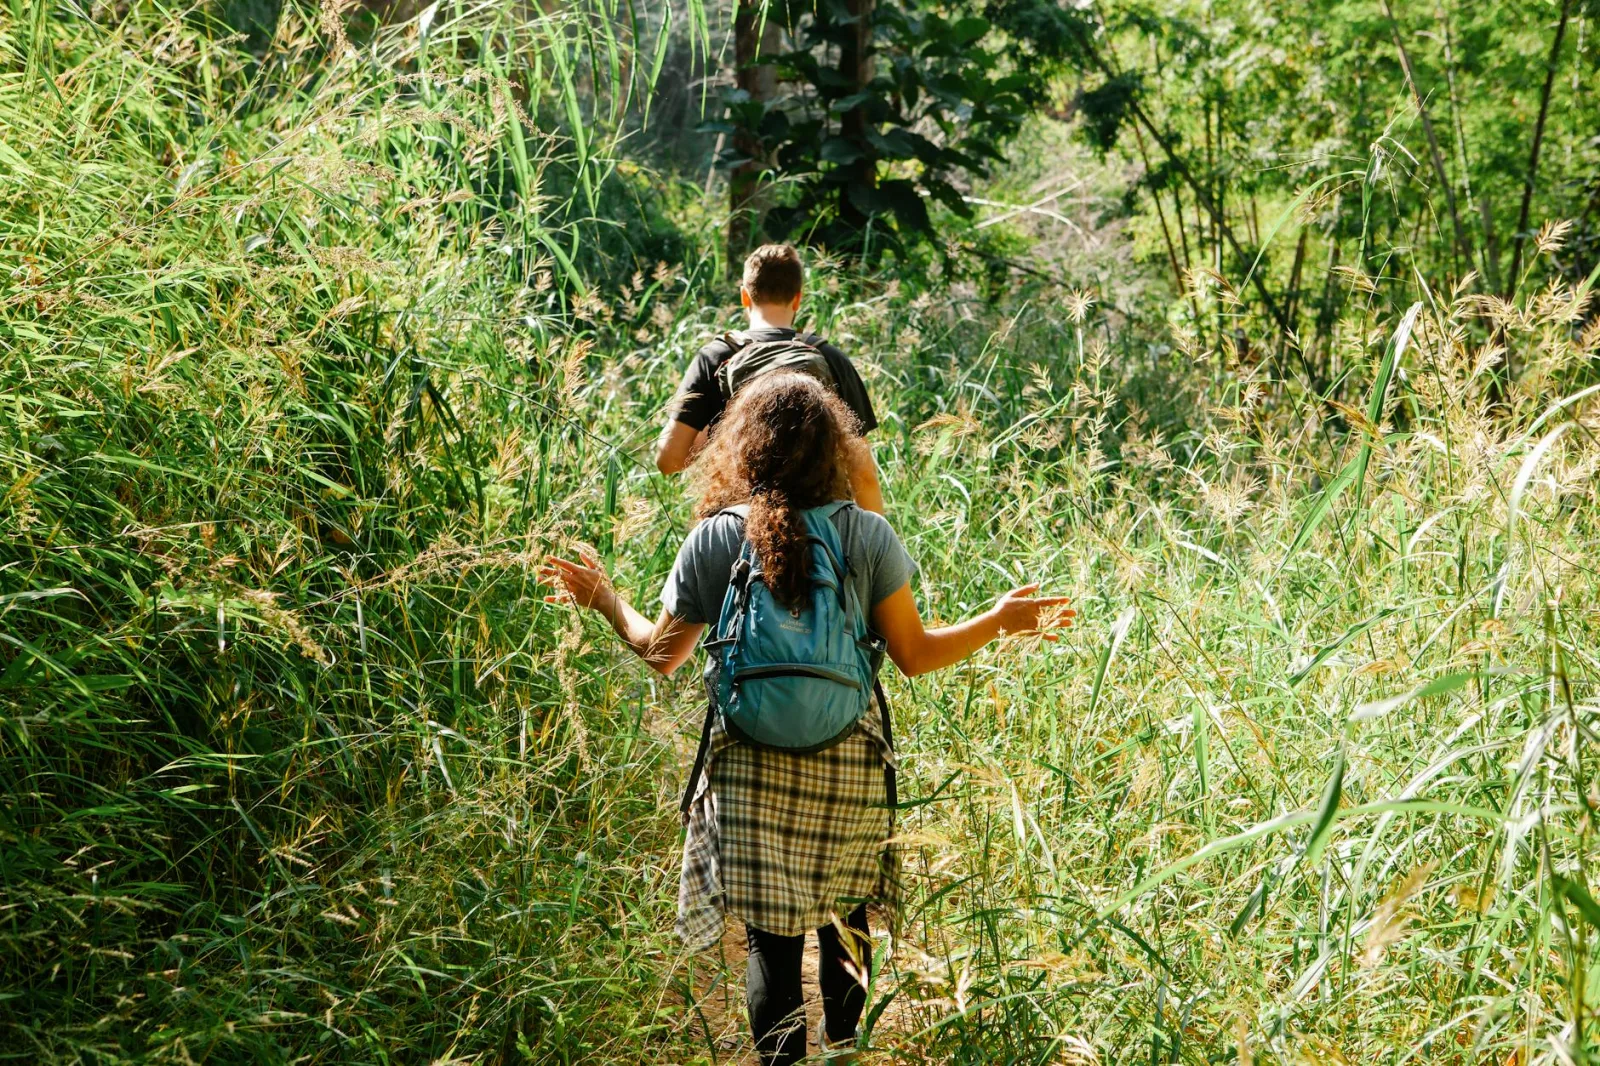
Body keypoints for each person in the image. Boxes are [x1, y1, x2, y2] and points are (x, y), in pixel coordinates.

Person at [541, 374, 1072, 1065]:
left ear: (741, 449)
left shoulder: (715, 539)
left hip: (750, 765)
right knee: (846, 922)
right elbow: (913, 655)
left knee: (771, 944)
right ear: (837, 453)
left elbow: (661, 655)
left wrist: (606, 599)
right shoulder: (867, 536)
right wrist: (999, 621)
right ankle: (845, 1051)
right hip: (847, 758)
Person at [655, 242, 886, 514]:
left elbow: (668, 461)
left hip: (738, 526)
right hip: (822, 525)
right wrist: (876, 543)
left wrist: (714, 435)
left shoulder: (715, 358)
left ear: (744, 296)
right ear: (797, 299)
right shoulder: (830, 358)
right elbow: (864, 476)